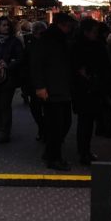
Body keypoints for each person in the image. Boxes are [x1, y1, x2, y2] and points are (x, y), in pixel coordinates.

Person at [31, 12, 77, 171]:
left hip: (60, 87)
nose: (70, 28)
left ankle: (51, 153)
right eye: (68, 25)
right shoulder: (49, 40)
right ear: (62, 25)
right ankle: (54, 158)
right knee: (56, 125)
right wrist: (40, 86)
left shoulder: (59, 39)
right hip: (52, 88)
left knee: (63, 123)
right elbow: (37, 64)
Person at [72, 18, 109, 164]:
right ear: (86, 32)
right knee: (85, 123)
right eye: (94, 31)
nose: (96, 34)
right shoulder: (84, 46)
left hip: (89, 88)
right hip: (86, 89)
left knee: (86, 122)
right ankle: (83, 152)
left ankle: (84, 151)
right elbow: (79, 68)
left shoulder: (86, 44)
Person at [0, 16, 24, 143]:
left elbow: (20, 58)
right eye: (3, 25)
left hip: (8, 78)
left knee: (5, 105)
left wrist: (9, 65)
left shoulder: (14, 41)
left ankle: (5, 132)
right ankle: (2, 125)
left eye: (7, 25)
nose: (6, 27)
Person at [20, 21, 48, 142]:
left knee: (44, 107)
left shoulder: (47, 42)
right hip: (33, 80)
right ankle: (42, 128)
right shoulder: (27, 41)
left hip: (44, 80)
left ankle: (44, 129)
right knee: (36, 107)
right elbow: (24, 61)